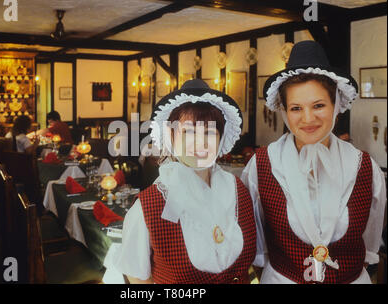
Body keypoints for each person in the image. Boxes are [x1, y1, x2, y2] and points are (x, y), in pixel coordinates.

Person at [241, 41, 386, 284]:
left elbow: (371, 237)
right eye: (296, 108)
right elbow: (254, 235)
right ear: (285, 111)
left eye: (318, 105)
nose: (308, 119)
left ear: (336, 106)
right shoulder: (263, 164)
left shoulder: (363, 166)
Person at [109, 79, 256, 284]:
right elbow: (139, 281)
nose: (200, 143)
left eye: (209, 132)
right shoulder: (148, 206)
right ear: (171, 137)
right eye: (188, 132)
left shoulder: (238, 190)